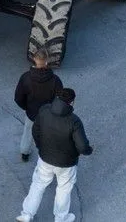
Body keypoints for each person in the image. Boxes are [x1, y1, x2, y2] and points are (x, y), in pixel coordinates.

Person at [17, 87, 93, 222]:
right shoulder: (74, 121)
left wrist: (41, 147)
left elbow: (36, 131)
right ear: (72, 102)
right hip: (66, 163)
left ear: (57, 98)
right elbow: (82, 146)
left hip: (45, 158)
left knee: (38, 185)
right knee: (63, 189)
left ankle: (26, 214)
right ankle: (61, 218)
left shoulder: (45, 110)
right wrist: (88, 151)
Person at [14, 51, 63, 163]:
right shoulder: (55, 80)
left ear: (35, 60)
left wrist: (27, 108)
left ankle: (25, 152)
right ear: (46, 61)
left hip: (32, 113)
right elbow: (60, 100)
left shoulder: (25, 78)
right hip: (48, 115)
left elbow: (18, 98)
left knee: (28, 132)